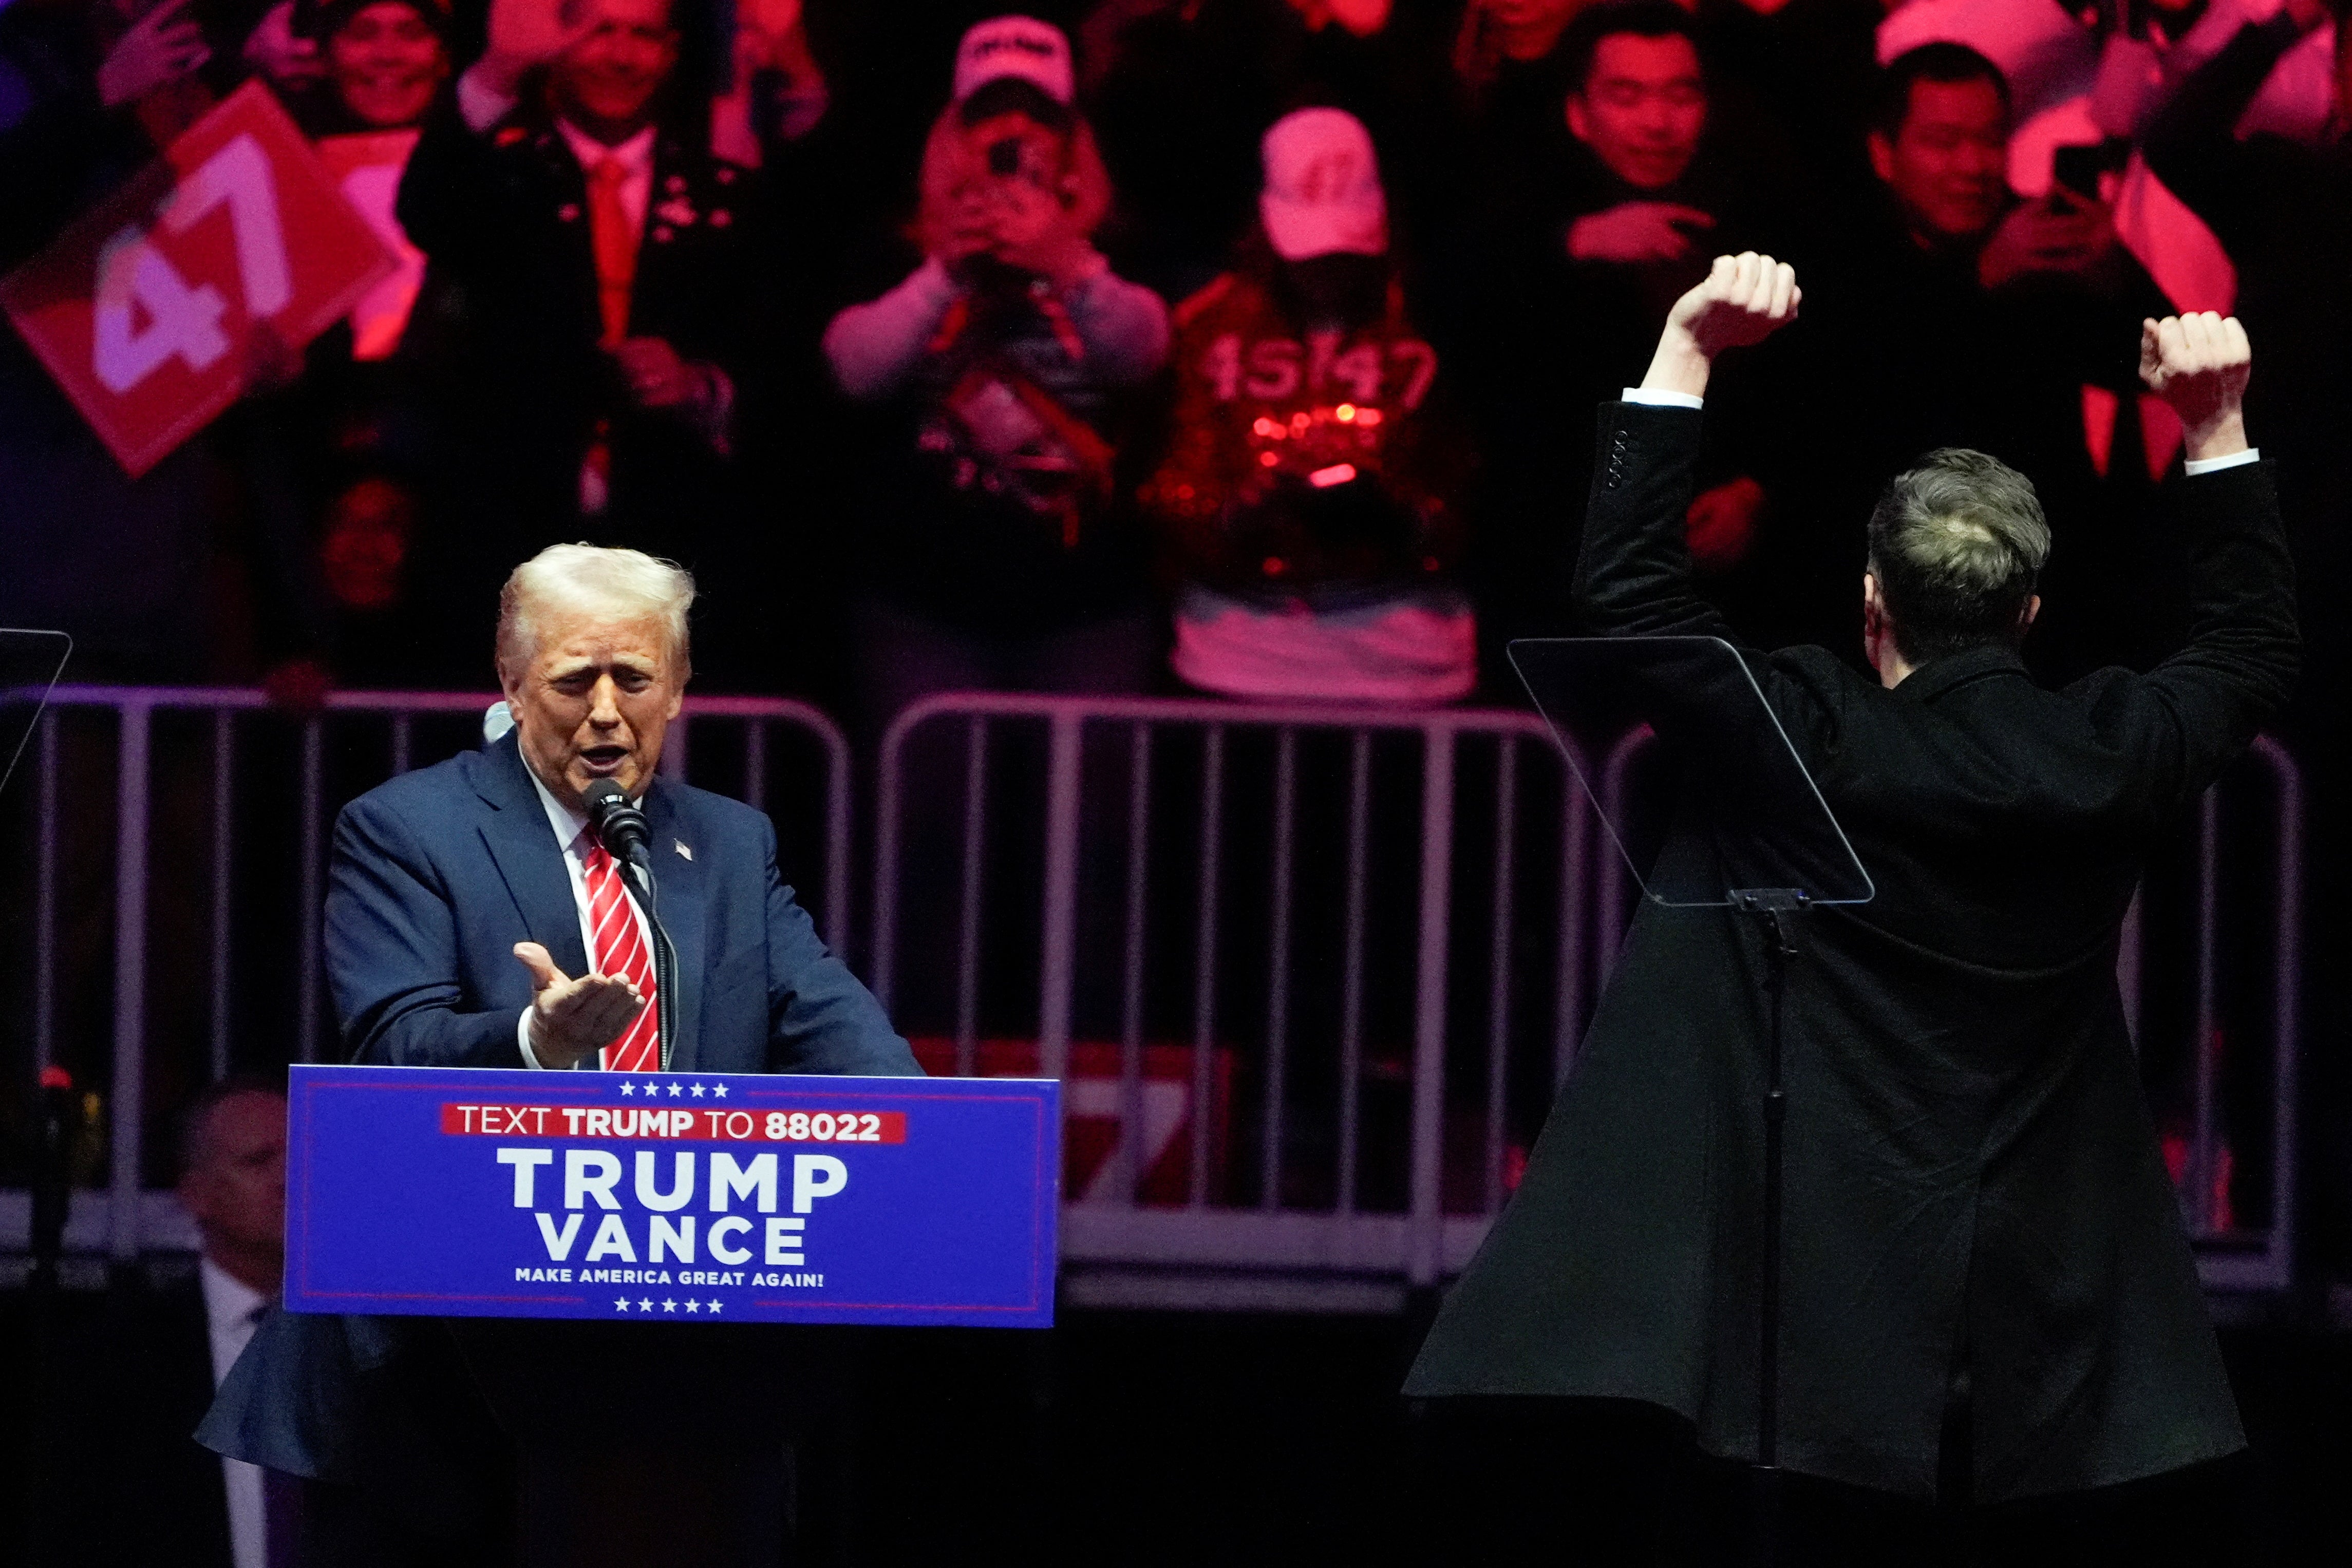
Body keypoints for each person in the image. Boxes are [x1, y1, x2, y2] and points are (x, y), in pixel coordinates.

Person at [1406, 255, 2293, 1555]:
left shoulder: (1808, 730)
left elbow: (1628, 597)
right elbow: (2251, 647)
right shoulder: (2109, 748)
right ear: (2031, 612)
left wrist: (1684, 349)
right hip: (2023, 1309)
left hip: (1790, 1288)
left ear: (1869, 601)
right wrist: (2215, 428)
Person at [199, 544, 917, 1561]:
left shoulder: (729, 841)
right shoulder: (407, 826)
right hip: (450, 1365)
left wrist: (926, 1132)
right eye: (575, 679)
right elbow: (396, 1043)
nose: (608, 710)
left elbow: (835, 1021)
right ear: (512, 683)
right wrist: (536, 1037)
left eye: (636, 678)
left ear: (677, 691)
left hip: (694, 1349)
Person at [392, 0, 758, 681]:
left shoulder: (728, 196)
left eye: (643, 35)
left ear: (674, 51)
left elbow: (773, 360)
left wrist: (700, 385)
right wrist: (498, 73)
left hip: (669, 562)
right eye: (599, 31)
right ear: (555, 40)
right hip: (510, 554)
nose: (621, 56)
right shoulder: (499, 173)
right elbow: (425, 209)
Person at [822, 17, 1170, 731]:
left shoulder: (1119, 244)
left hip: (1087, 600)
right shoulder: (899, 246)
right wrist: (945, 270)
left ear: (1071, 137)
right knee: (933, 820)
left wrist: (1068, 263)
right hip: (924, 600)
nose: (1012, 132)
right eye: (989, 116)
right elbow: (853, 371)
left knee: (1087, 823)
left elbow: (1145, 357)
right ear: (955, 133)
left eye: (1036, 117)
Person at [1140, 106, 1475, 703]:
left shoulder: (1437, 325)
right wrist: (1234, 513)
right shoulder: (1208, 327)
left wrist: (1400, 517)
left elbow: (1478, 484)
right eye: (1310, 252)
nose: (1326, 271)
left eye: (1343, 250)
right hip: (1237, 655)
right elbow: (1165, 482)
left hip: (1405, 659)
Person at [101, 1081, 290, 1568]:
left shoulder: (376, 1342)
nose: (292, 1177)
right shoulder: (118, 1359)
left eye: (307, 1154)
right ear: (198, 1194)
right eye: (259, 1161)